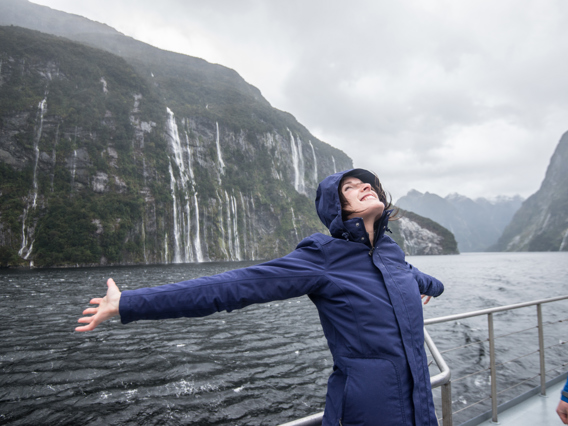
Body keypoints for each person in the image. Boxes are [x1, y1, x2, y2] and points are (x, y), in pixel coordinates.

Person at [77, 168, 444, 426]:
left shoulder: (391, 254)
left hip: (420, 406)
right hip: (368, 410)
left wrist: (428, 289)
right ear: (338, 207)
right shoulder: (323, 257)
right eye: (351, 187)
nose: (365, 187)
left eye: (369, 184)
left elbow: (417, 278)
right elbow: (232, 286)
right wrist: (127, 303)